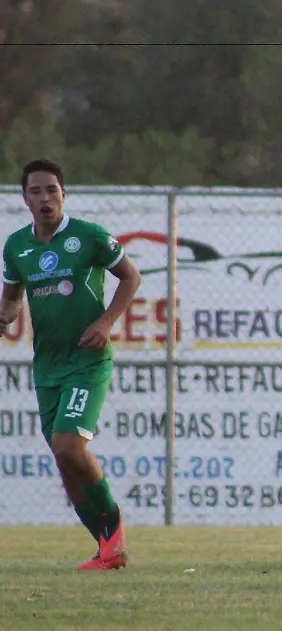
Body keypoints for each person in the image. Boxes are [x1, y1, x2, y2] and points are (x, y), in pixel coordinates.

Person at [0, 160, 142, 570]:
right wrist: (5, 316)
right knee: (64, 460)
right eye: (36, 191)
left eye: (52, 190)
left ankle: (113, 530)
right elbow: (12, 299)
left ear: (64, 194)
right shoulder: (16, 246)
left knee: (69, 445)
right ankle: (107, 549)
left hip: (87, 359)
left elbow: (131, 278)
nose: (45, 198)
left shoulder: (89, 236)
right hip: (47, 365)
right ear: (25, 198)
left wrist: (106, 322)